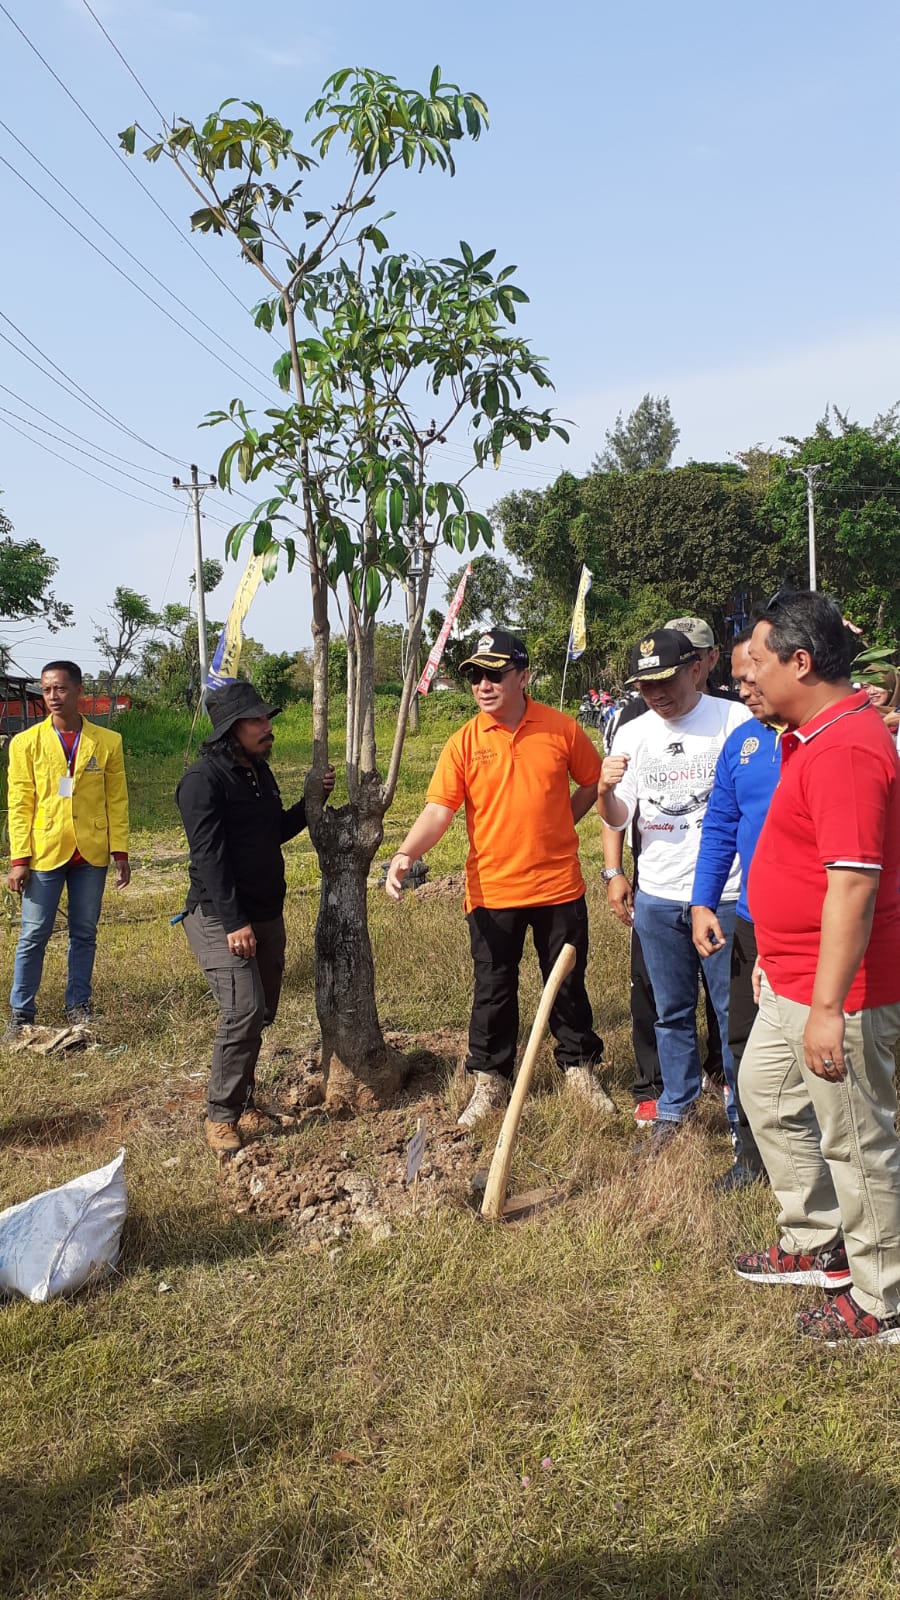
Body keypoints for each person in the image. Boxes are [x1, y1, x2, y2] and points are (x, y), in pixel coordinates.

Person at [732, 591, 900, 1346]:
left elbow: (854, 883)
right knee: (766, 1092)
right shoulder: (811, 735)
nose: (748, 677)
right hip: (793, 976)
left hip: (844, 990)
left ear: (801, 663)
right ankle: (818, 1239)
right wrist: (775, 957)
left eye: (759, 663)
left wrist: (828, 1007)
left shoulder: (846, 749)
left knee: (857, 1140)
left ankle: (884, 1297)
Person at [385, 628, 611, 1128]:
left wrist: (563, 820)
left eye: (494, 674)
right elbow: (438, 812)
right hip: (492, 891)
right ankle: (490, 1080)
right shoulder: (464, 742)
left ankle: (579, 1068)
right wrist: (405, 853)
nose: (483, 686)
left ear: (523, 677)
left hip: (558, 888)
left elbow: (593, 781)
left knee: (567, 985)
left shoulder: (561, 729)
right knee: (493, 989)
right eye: (474, 677)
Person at [597, 628, 751, 1154]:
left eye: (666, 680)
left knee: (733, 1014)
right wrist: (604, 795)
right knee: (671, 1011)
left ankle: (744, 1118)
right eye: (645, 685)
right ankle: (676, 1108)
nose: (656, 694)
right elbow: (619, 814)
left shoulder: (734, 721)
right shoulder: (633, 732)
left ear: (697, 669)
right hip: (658, 895)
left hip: (726, 893)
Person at [176, 680, 335, 1155]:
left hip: (266, 912)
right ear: (231, 729)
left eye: (267, 718)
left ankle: (244, 1100)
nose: (268, 728)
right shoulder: (203, 781)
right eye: (257, 721)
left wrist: (311, 802)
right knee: (242, 1010)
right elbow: (209, 860)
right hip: (220, 915)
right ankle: (221, 1115)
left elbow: (272, 831)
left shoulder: (257, 772)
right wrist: (234, 923)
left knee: (261, 1012)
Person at [690, 630, 781, 1190]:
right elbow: (721, 827)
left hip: (818, 927)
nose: (743, 689)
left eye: (753, 676)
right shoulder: (743, 743)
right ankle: (752, 1155)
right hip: (749, 922)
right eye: (739, 678)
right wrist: (703, 902)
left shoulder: (824, 740)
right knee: (742, 1039)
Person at [5, 659, 130, 1036]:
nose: (53, 696)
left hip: (91, 853)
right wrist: (19, 859)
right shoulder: (25, 743)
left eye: (60, 688)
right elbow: (20, 802)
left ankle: (78, 1005)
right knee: (33, 934)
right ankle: (21, 1013)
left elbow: (117, 799)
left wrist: (120, 851)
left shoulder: (107, 742)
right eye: (46, 690)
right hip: (44, 851)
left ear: (78, 691)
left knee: (84, 932)